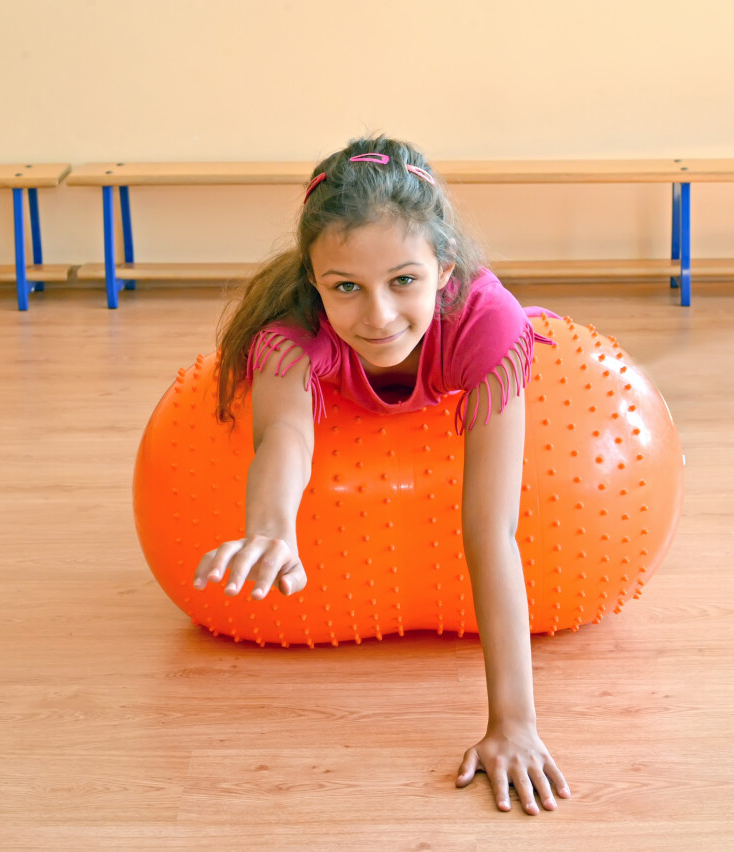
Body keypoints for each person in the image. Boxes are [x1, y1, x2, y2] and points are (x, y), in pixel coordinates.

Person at [192, 136, 571, 815]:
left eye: (404, 280)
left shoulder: (486, 325)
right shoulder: (292, 330)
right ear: (313, 281)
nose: (378, 316)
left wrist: (514, 723)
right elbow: (285, 435)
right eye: (345, 287)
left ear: (444, 268)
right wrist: (272, 529)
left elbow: (491, 529)